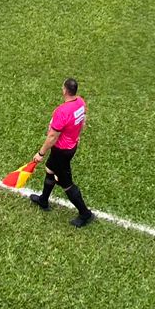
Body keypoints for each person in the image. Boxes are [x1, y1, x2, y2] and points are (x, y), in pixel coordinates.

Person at [28, 77, 94, 228]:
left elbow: (52, 136)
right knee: (49, 169)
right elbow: (83, 120)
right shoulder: (80, 102)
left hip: (61, 151)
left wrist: (41, 153)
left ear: (65, 90)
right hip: (70, 147)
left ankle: (85, 214)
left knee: (66, 184)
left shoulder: (62, 111)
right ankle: (43, 200)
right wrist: (77, 135)